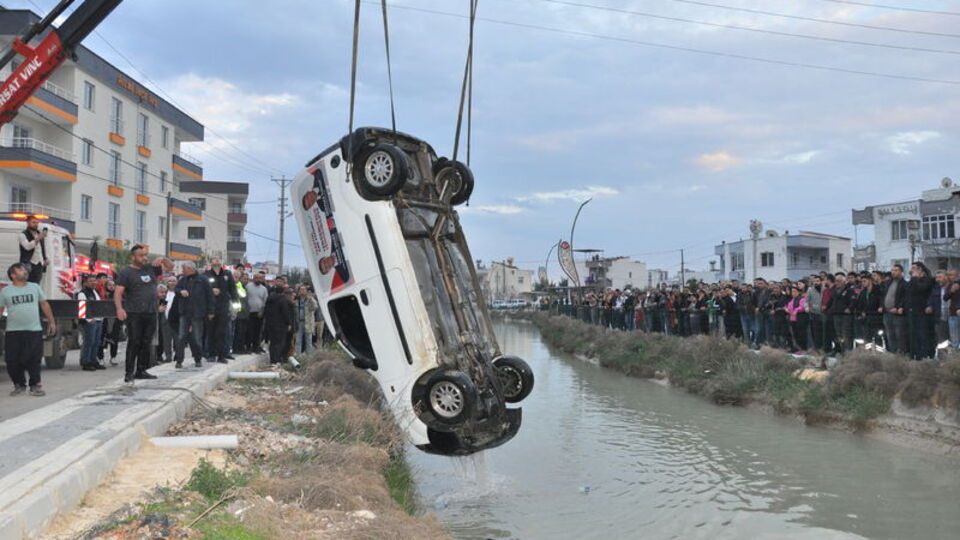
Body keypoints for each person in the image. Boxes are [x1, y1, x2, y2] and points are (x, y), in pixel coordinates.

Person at [114, 245, 173, 383]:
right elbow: (118, 292)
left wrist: (163, 259)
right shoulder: (126, 272)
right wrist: (119, 309)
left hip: (151, 312)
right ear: (133, 257)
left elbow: (170, 267)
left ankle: (141, 370)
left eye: (145, 255)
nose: (144, 258)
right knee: (134, 342)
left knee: (146, 342)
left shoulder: (150, 269)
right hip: (135, 312)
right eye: (141, 255)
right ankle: (129, 372)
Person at [1, 263, 56, 396]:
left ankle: (35, 385)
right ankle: (19, 384)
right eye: (20, 270)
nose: (25, 271)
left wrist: (51, 321)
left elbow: (44, 304)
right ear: (13, 275)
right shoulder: (6, 291)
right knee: (12, 360)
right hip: (13, 331)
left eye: (25, 269)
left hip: (33, 330)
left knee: (33, 359)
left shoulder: (35, 287)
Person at [174, 261, 214, 368]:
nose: (183, 271)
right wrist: (180, 291)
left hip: (198, 313)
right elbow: (176, 289)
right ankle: (179, 360)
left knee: (196, 338)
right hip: (184, 313)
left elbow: (210, 296)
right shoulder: (183, 280)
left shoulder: (203, 280)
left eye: (184, 269)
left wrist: (211, 311)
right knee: (181, 337)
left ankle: (198, 359)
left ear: (190, 269)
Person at [204, 258, 237, 364]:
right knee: (211, 331)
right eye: (214, 261)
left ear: (221, 263)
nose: (216, 263)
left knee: (222, 332)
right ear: (211, 263)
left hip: (223, 307)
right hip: (210, 308)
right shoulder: (206, 274)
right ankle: (211, 354)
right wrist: (211, 290)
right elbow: (202, 289)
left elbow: (233, 290)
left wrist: (235, 306)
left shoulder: (227, 275)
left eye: (218, 261)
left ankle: (222, 356)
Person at [77, 273, 105, 371]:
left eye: (94, 281)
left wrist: (101, 318)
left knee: (96, 342)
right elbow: (81, 310)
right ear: (85, 283)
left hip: (98, 320)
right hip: (90, 322)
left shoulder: (95, 292)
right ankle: (86, 362)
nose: (93, 283)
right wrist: (89, 320)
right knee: (89, 342)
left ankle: (93, 361)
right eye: (90, 281)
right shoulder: (82, 293)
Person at [906, 262, 934, 360]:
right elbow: (908, 291)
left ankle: (924, 356)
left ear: (920, 269)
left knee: (922, 334)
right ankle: (915, 355)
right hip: (912, 311)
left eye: (914, 268)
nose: (911, 270)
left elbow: (921, 289)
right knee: (914, 335)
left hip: (922, 311)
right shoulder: (913, 280)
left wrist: (914, 278)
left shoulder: (927, 280)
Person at [264, 287, 294, 364]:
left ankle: (272, 360)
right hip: (281, 325)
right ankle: (277, 360)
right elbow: (285, 313)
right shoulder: (282, 300)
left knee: (273, 343)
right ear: (283, 293)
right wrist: (289, 323)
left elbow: (266, 311)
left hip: (270, 324)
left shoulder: (269, 300)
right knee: (280, 343)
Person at [882, 265, 907, 354]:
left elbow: (905, 298)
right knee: (890, 335)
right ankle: (892, 354)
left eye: (896, 270)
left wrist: (898, 307)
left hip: (897, 314)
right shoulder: (887, 283)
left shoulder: (904, 284)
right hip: (887, 313)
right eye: (892, 270)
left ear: (901, 272)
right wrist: (883, 306)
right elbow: (884, 296)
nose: (893, 272)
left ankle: (901, 355)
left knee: (899, 336)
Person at [99, 279, 121, 366]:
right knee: (102, 340)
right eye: (109, 285)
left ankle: (113, 357)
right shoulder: (102, 295)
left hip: (115, 320)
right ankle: (100, 358)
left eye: (113, 285)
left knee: (114, 339)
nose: (111, 287)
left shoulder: (118, 296)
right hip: (105, 320)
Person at [19, 216, 47, 284]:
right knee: (27, 283)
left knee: (36, 283)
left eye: (37, 222)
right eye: (33, 222)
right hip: (28, 263)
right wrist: (37, 238)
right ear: (28, 223)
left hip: (39, 264)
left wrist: (45, 259)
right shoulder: (23, 234)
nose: (36, 224)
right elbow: (27, 247)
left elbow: (42, 248)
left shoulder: (39, 234)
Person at [246, 271, 268, 353]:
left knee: (258, 331)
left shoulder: (264, 289)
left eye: (260, 278)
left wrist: (262, 311)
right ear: (253, 278)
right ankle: (248, 347)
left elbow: (265, 302)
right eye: (256, 278)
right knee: (249, 331)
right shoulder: (248, 286)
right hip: (249, 312)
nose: (258, 279)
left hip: (259, 313)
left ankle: (256, 347)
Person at [294, 285, 318, 354]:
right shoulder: (297, 300)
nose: (302, 291)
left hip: (308, 322)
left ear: (306, 291)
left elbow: (315, 307)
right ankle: (298, 356)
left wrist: (311, 298)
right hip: (299, 322)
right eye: (301, 290)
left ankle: (309, 356)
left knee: (308, 340)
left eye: (304, 290)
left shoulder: (309, 300)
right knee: (298, 340)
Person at [233, 270, 250, 355]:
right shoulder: (238, 286)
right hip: (239, 313)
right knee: (238, 332)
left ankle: (241, 347)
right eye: (244, 278)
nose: (246, 280)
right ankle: (237, 348)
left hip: (245, 313)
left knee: (243, 332)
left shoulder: (244, 288)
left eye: (247, 279)